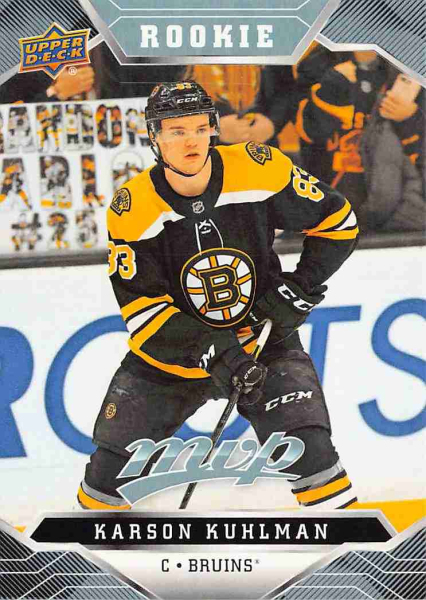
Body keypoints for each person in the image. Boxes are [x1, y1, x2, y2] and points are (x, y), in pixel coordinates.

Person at [78, 82, 359, 512]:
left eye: (199, 127)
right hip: (170, 361)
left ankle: (350, 550)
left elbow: (338, 222)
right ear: (154, 137)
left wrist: (298, 288)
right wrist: (218, 350)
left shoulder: (259, 168)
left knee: (313, 456)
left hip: (262, 341)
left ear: (213, 128)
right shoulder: (133, 207)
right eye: (176, 131)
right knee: (105, 482)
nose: (190, 140)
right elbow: (145, 315)